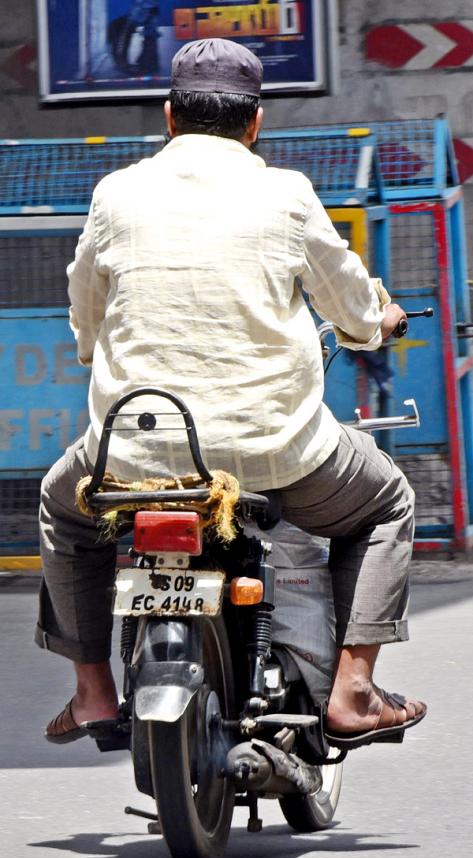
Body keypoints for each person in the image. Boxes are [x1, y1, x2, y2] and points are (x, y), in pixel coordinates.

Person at [39, 38, 426, 748]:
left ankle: (94, 692)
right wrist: (378, 321)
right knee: (387, 501)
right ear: (254, 124)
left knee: (64, 512)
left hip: (132, 456)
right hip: (278, 459)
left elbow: (85, 304)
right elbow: (347, 301)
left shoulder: (114, 194)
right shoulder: (285, 194)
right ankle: (354, 689)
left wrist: (96, 352)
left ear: (168, 117)